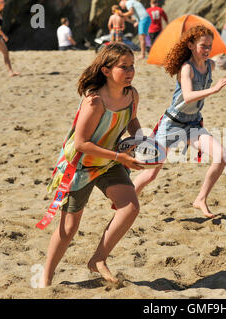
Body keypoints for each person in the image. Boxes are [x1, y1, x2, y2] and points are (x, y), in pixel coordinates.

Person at [40, 43, 146, 288]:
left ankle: (98, 259)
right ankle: (46, 277)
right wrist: (120, 157)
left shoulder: (131, 94)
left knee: (129, 207)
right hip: (81, 165)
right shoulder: (95, 100)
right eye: (123, 67)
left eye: (132, 66)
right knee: (68, 229)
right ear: (107, 70)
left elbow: (132, 119)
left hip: (109, 161)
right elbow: (80, 144)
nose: (130, 71)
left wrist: (141, 137)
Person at [132, 25, 226, 219]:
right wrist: (215, 89)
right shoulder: (186, 68)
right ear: (191, 45)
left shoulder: (210, 65)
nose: (207, 49)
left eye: (209, 46)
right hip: (172, 124)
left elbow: (223, 60)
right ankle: (127, 200)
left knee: (222, 156)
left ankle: (201, 199)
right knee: (151, 174)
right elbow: (187, 96)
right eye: (203, 45)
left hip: (193, 124)